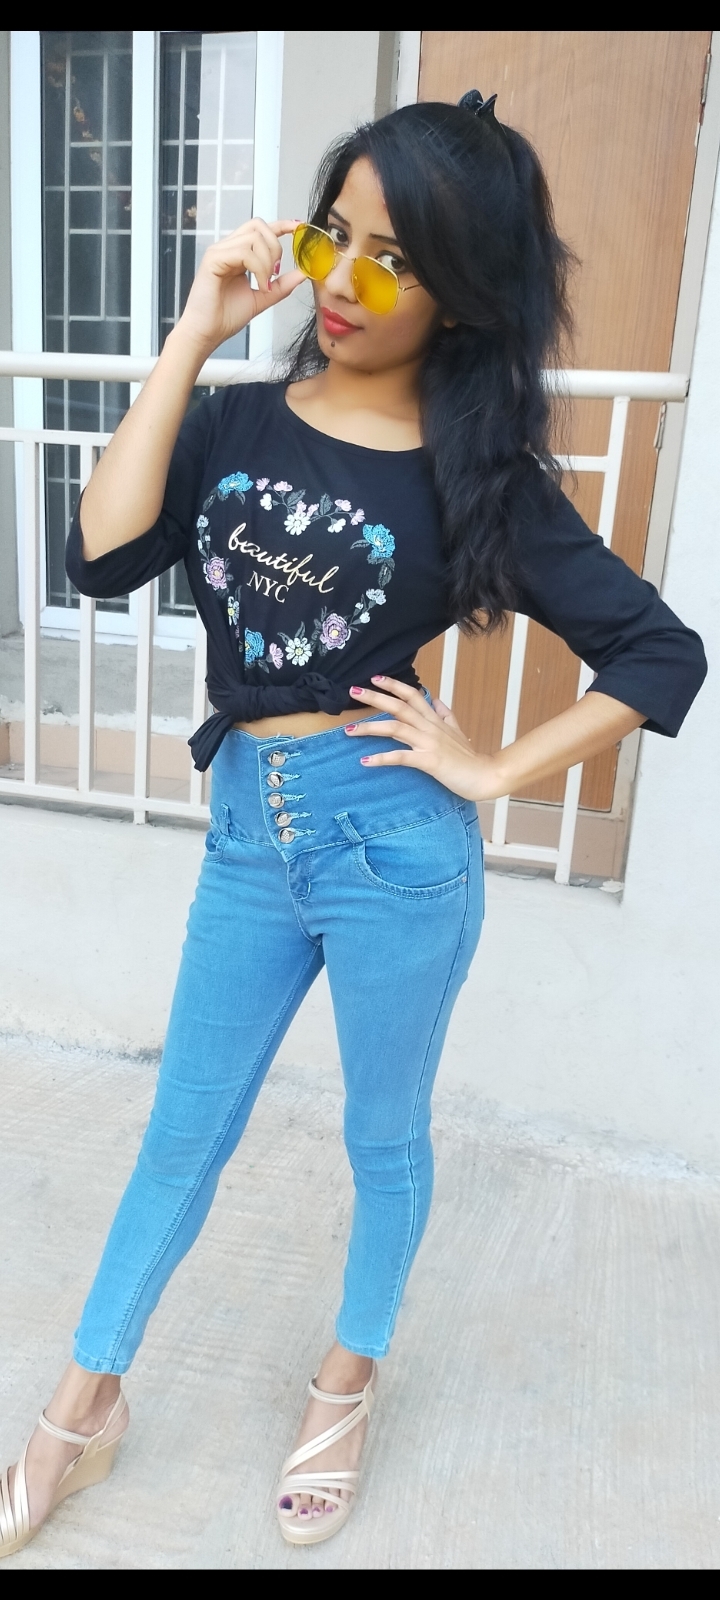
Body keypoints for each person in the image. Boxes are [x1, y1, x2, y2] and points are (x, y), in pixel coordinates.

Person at [1, 92, 706, 1557]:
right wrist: (192, 336)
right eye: (335, 236)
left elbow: (659, 653)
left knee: (383, 1136)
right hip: (247, 840)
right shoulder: (235, 420)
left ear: (462, 296)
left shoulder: (479, 477)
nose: (344, 281)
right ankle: (82, 1405)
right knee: (182, 1136)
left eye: (395, 260)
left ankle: (347, 1379)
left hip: (395, 847)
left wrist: (492, 770)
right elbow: (100, 556)